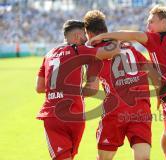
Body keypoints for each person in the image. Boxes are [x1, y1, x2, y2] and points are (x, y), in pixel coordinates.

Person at [89, 6, 166, 160]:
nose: (148, 26)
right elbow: (157, 71)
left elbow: (132, 35)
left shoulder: (157, 39)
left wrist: (104, 36)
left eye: (151, 21)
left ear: (163, 21)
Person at [35, 20, 120, 160]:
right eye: (84, 35)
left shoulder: (48, 54)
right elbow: (114, 50)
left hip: (52, 114)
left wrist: (58, 91)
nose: (86, 39)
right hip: (75, 115)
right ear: (76, 36)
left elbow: (39, 87)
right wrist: (109, 38)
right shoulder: (78, 50)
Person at [83, 10, 161, 160]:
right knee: (143, 157)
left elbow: (93, 89)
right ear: (104, 29)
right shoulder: (126, 45)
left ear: (89, 33)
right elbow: (152, 70)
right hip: (140, 107)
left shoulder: (93, 52)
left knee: (104, 157)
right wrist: (159, 94)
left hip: (115, 109)